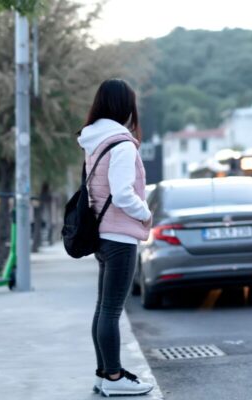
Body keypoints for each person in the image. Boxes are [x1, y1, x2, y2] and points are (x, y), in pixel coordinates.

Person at [77, 79, 153, 397]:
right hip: (119, 237)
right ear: (124, 108)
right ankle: (113, 376)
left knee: (103, 308)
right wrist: (145, 213)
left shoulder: (96, 143)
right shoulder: (120, 145)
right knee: (110, 310)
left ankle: (104, 373)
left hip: (102, 235)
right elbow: (123, 194)